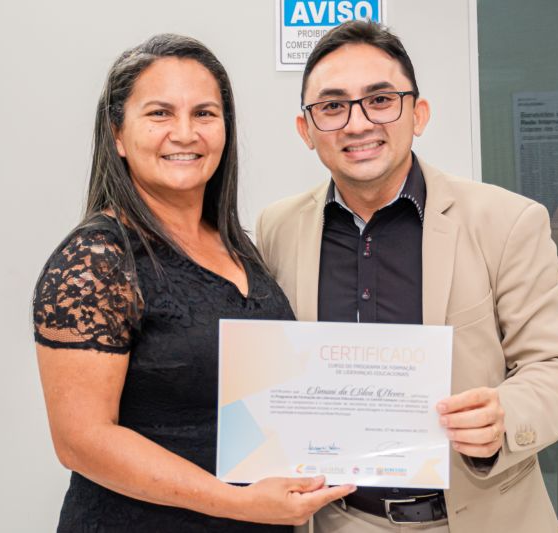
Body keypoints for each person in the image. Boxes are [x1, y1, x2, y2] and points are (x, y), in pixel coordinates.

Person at [256, 21, 558, 533]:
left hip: (479, 519)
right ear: (306, 130)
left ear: (419, 114)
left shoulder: (505, 221)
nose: (357, 123)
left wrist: (504, 413)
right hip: (335, 519)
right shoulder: (277, 228)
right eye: (332, 106)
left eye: (380, 100)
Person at [32, 34, 354, 532]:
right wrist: (238, 502)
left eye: (204, 113)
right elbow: (81, 441)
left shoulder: (238, 246)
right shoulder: (97, 259)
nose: (185, 133)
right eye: (159, 113)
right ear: (117, 135)